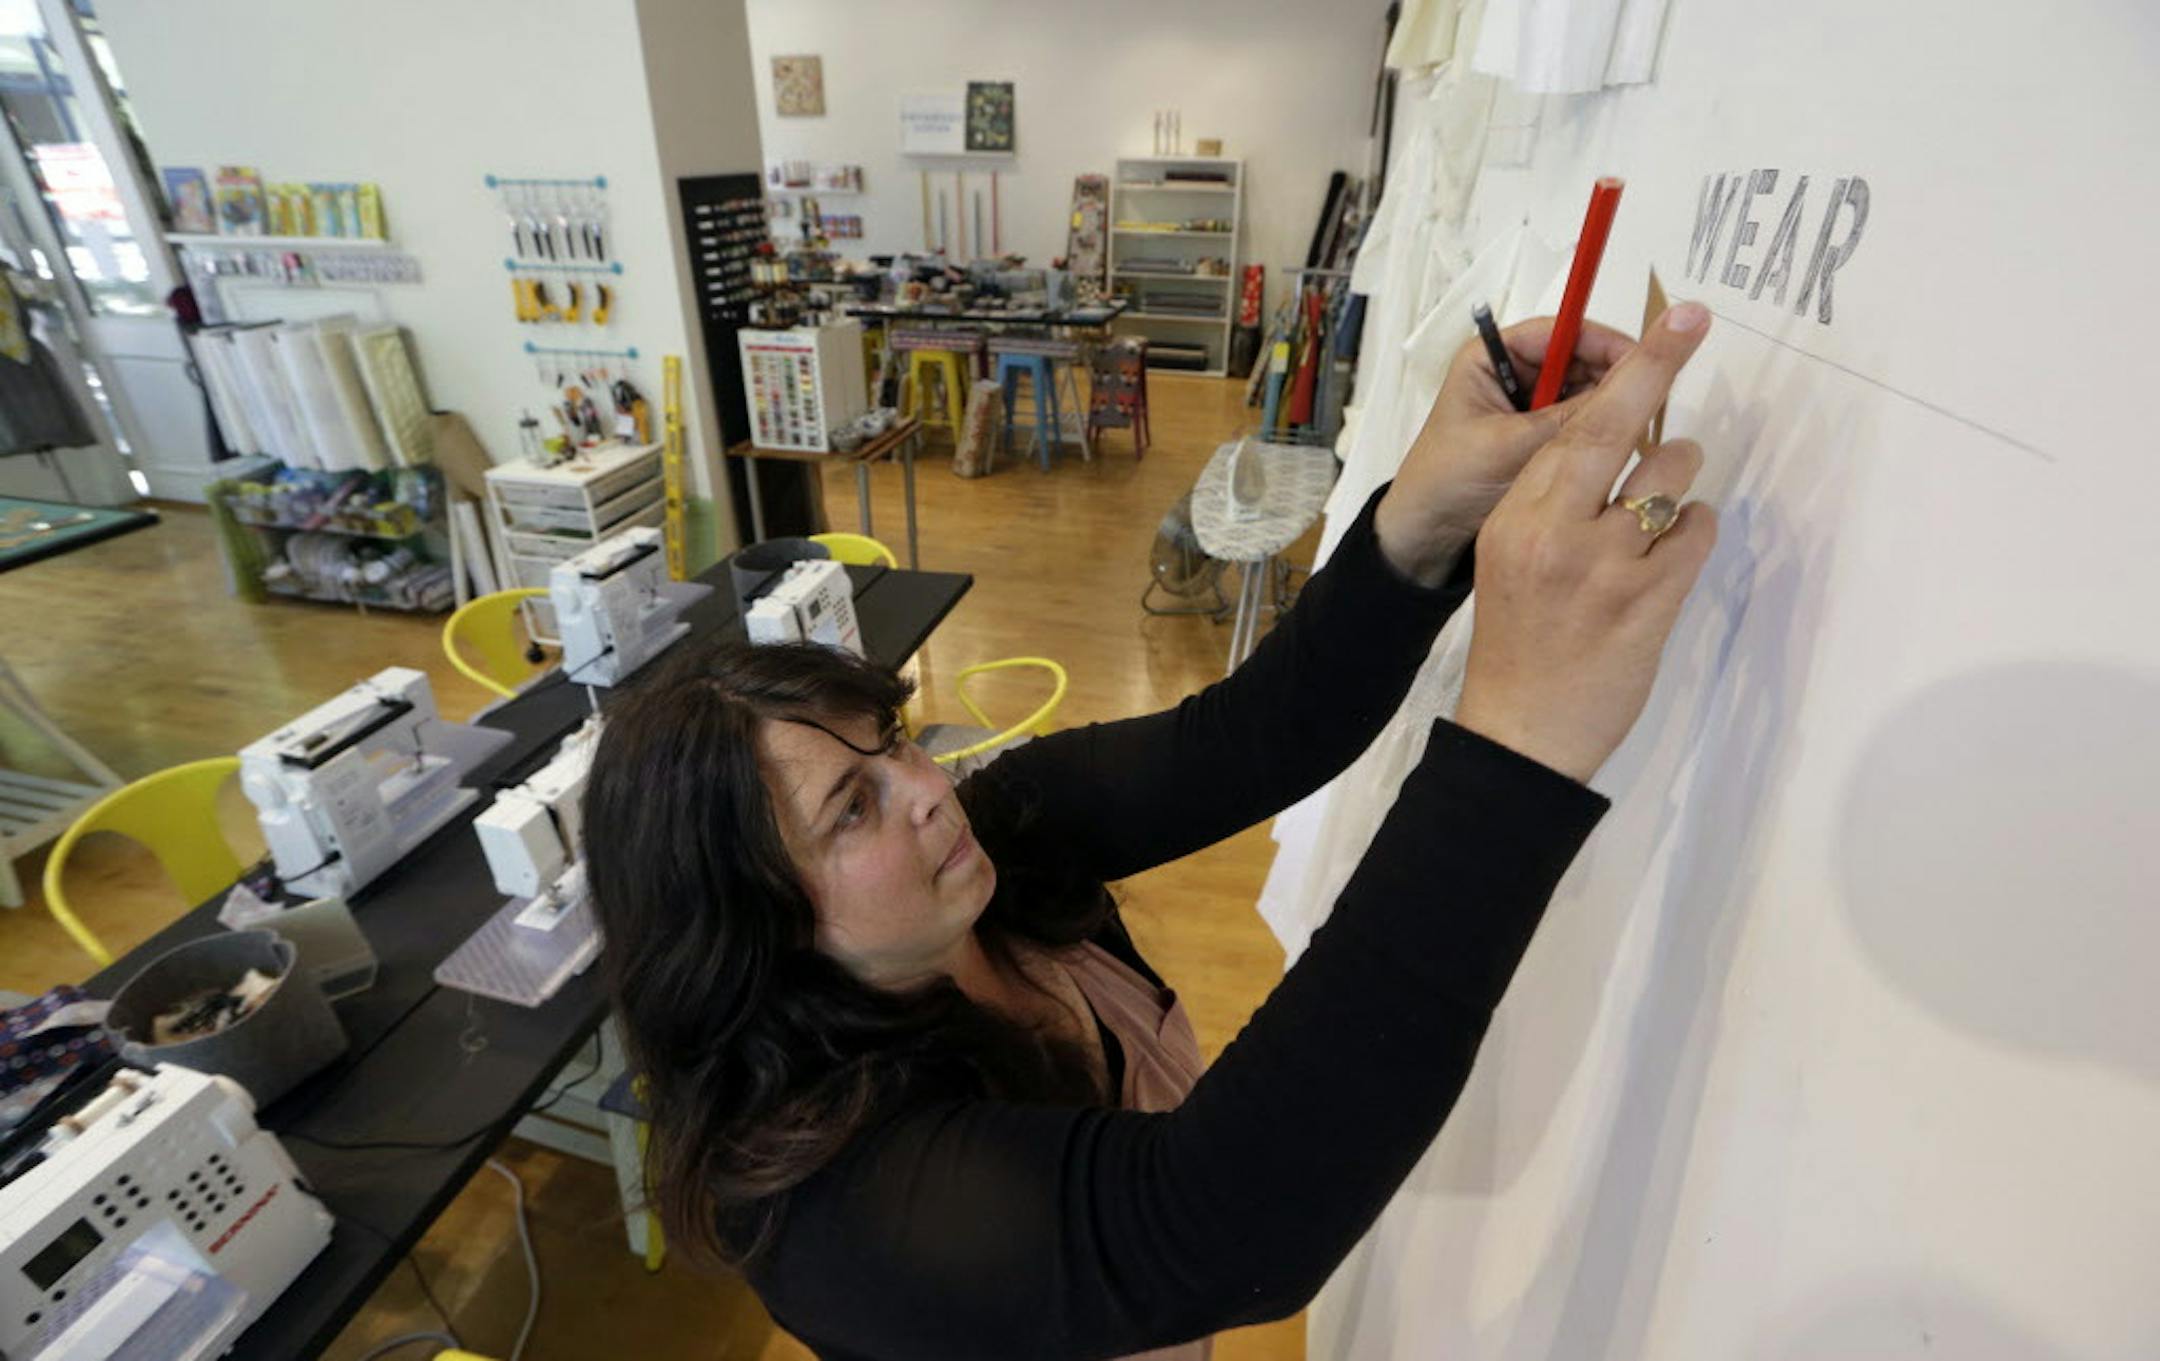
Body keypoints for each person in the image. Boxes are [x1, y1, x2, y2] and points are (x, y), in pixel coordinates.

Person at [584, 304, 1719, 1360]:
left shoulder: (987, 847)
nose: (927, 785)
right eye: (851, 808)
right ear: (753, 929)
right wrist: (1515, 739)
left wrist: (1423, 513)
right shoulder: (833, 1199)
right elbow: (1225, 1217)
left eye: (892, 738)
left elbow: (1253, 736)